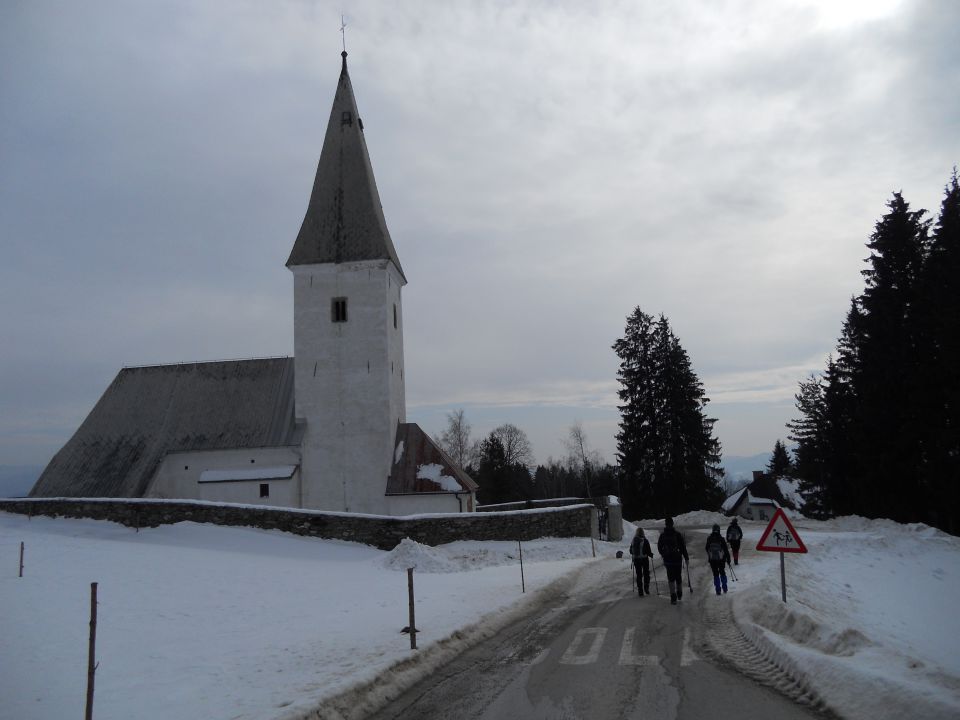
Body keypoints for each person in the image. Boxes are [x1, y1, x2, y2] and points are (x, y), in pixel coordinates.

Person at [657, 517, 689, 605]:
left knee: (671, 578)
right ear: (672, 524)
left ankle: (673, 597)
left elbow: (659, 547)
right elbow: (683, 547)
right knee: (678, 576)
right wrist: (686, 557)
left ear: (666, 524)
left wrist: (663, 554)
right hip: (677, 559)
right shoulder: (677, 534)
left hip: (668, 560)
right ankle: (679, 593)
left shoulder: (663, 535)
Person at [705, 524, 731, 595]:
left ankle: (718, 590)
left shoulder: (709, 538)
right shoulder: (721, 539)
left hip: (712, 560)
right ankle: (725, 588)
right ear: (719, 530)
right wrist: (728, 559)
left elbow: (706, 548)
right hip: (721, 559)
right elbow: (725, 550)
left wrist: (711, 554)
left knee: (715, 574)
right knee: (722, 572)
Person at [629, 527, 654, 596]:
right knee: (646, 574)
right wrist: (651, 554)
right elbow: (648, 551)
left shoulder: (634, 540)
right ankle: (646, 588)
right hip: (644, 559)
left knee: (639, 575)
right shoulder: (645, 540)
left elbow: (630, 551)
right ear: (643, 532)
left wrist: (634, 553)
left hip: (636, 560)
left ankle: (640, 591)